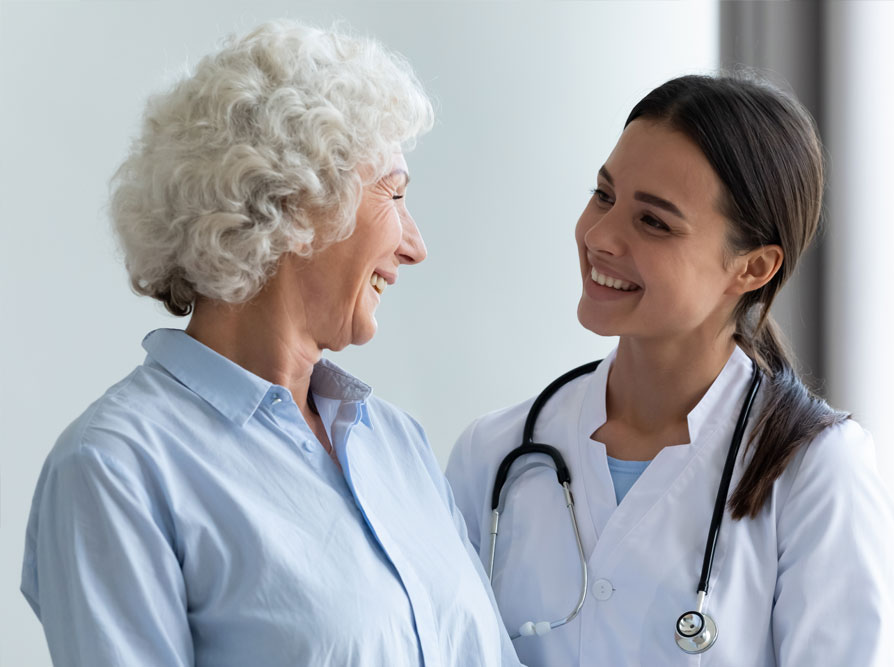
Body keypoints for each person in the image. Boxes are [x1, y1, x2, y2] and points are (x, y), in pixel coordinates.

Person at [21, 20, 520, 667]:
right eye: (394, 195)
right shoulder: (116, 467)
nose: (414, 244)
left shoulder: (393, 441)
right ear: (296, 202)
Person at [446, 73, 894, 666]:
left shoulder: (818, 476)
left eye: (654, 222)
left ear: (753, 267)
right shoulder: (495, 454)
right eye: (604, 195)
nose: (600, 236)